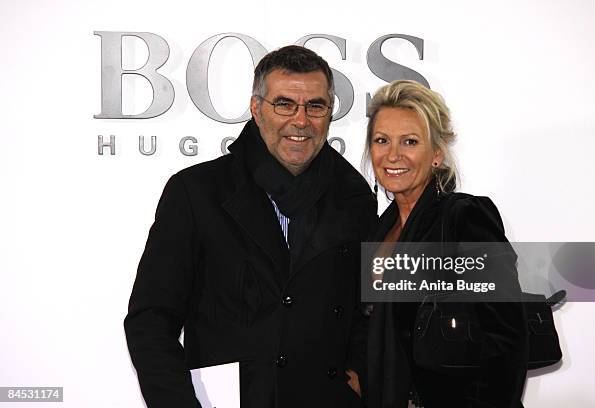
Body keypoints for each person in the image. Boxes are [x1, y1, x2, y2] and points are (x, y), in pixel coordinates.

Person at [124, 45, 377, 408]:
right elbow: (150, 320)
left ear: (329, 113)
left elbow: (368, 310)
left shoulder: (355, 197)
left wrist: (357, 371)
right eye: (284, 104)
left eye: (315, 106)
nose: (301, 121)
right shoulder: (196, 193)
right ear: (257, 109)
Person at [364, 80, 528, 407]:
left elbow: (507, 341)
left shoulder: (464, 218)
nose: (392, 155)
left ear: (437, 154)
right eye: (382, 140)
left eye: (410, 141)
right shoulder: (380, 228)